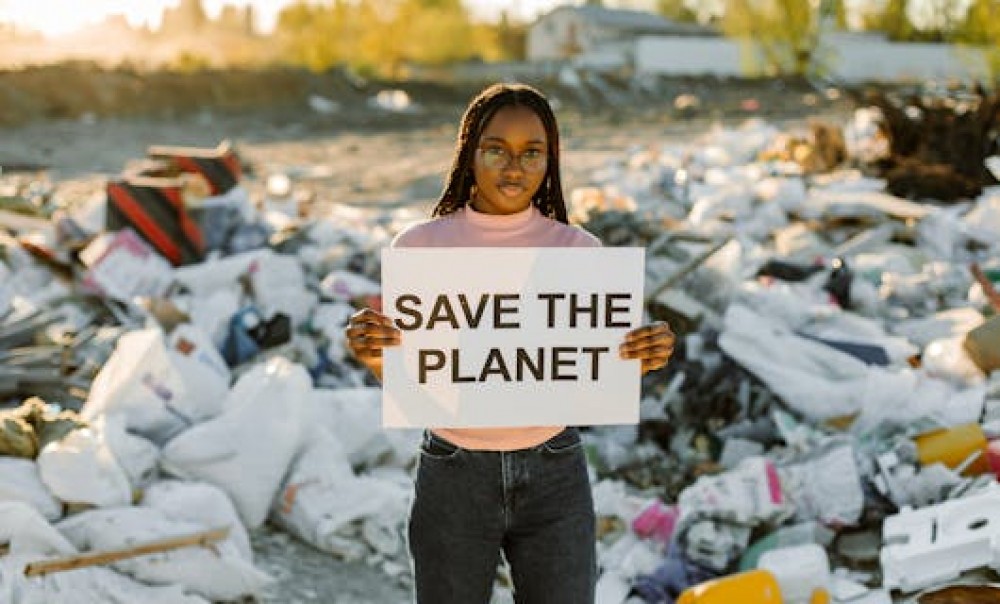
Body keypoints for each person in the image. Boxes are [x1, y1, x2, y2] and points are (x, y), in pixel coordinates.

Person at [345, 83, 675, 604]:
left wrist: (642, 357)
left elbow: (590, 371)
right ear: (469, 152)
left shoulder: (580, 251)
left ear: (551, 160)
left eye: (532, 152)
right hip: (453, 472)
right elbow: (415, 384)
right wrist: (373, 356)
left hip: (556, 471)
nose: (513, 167)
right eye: (496, 149)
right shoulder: (419, 249)